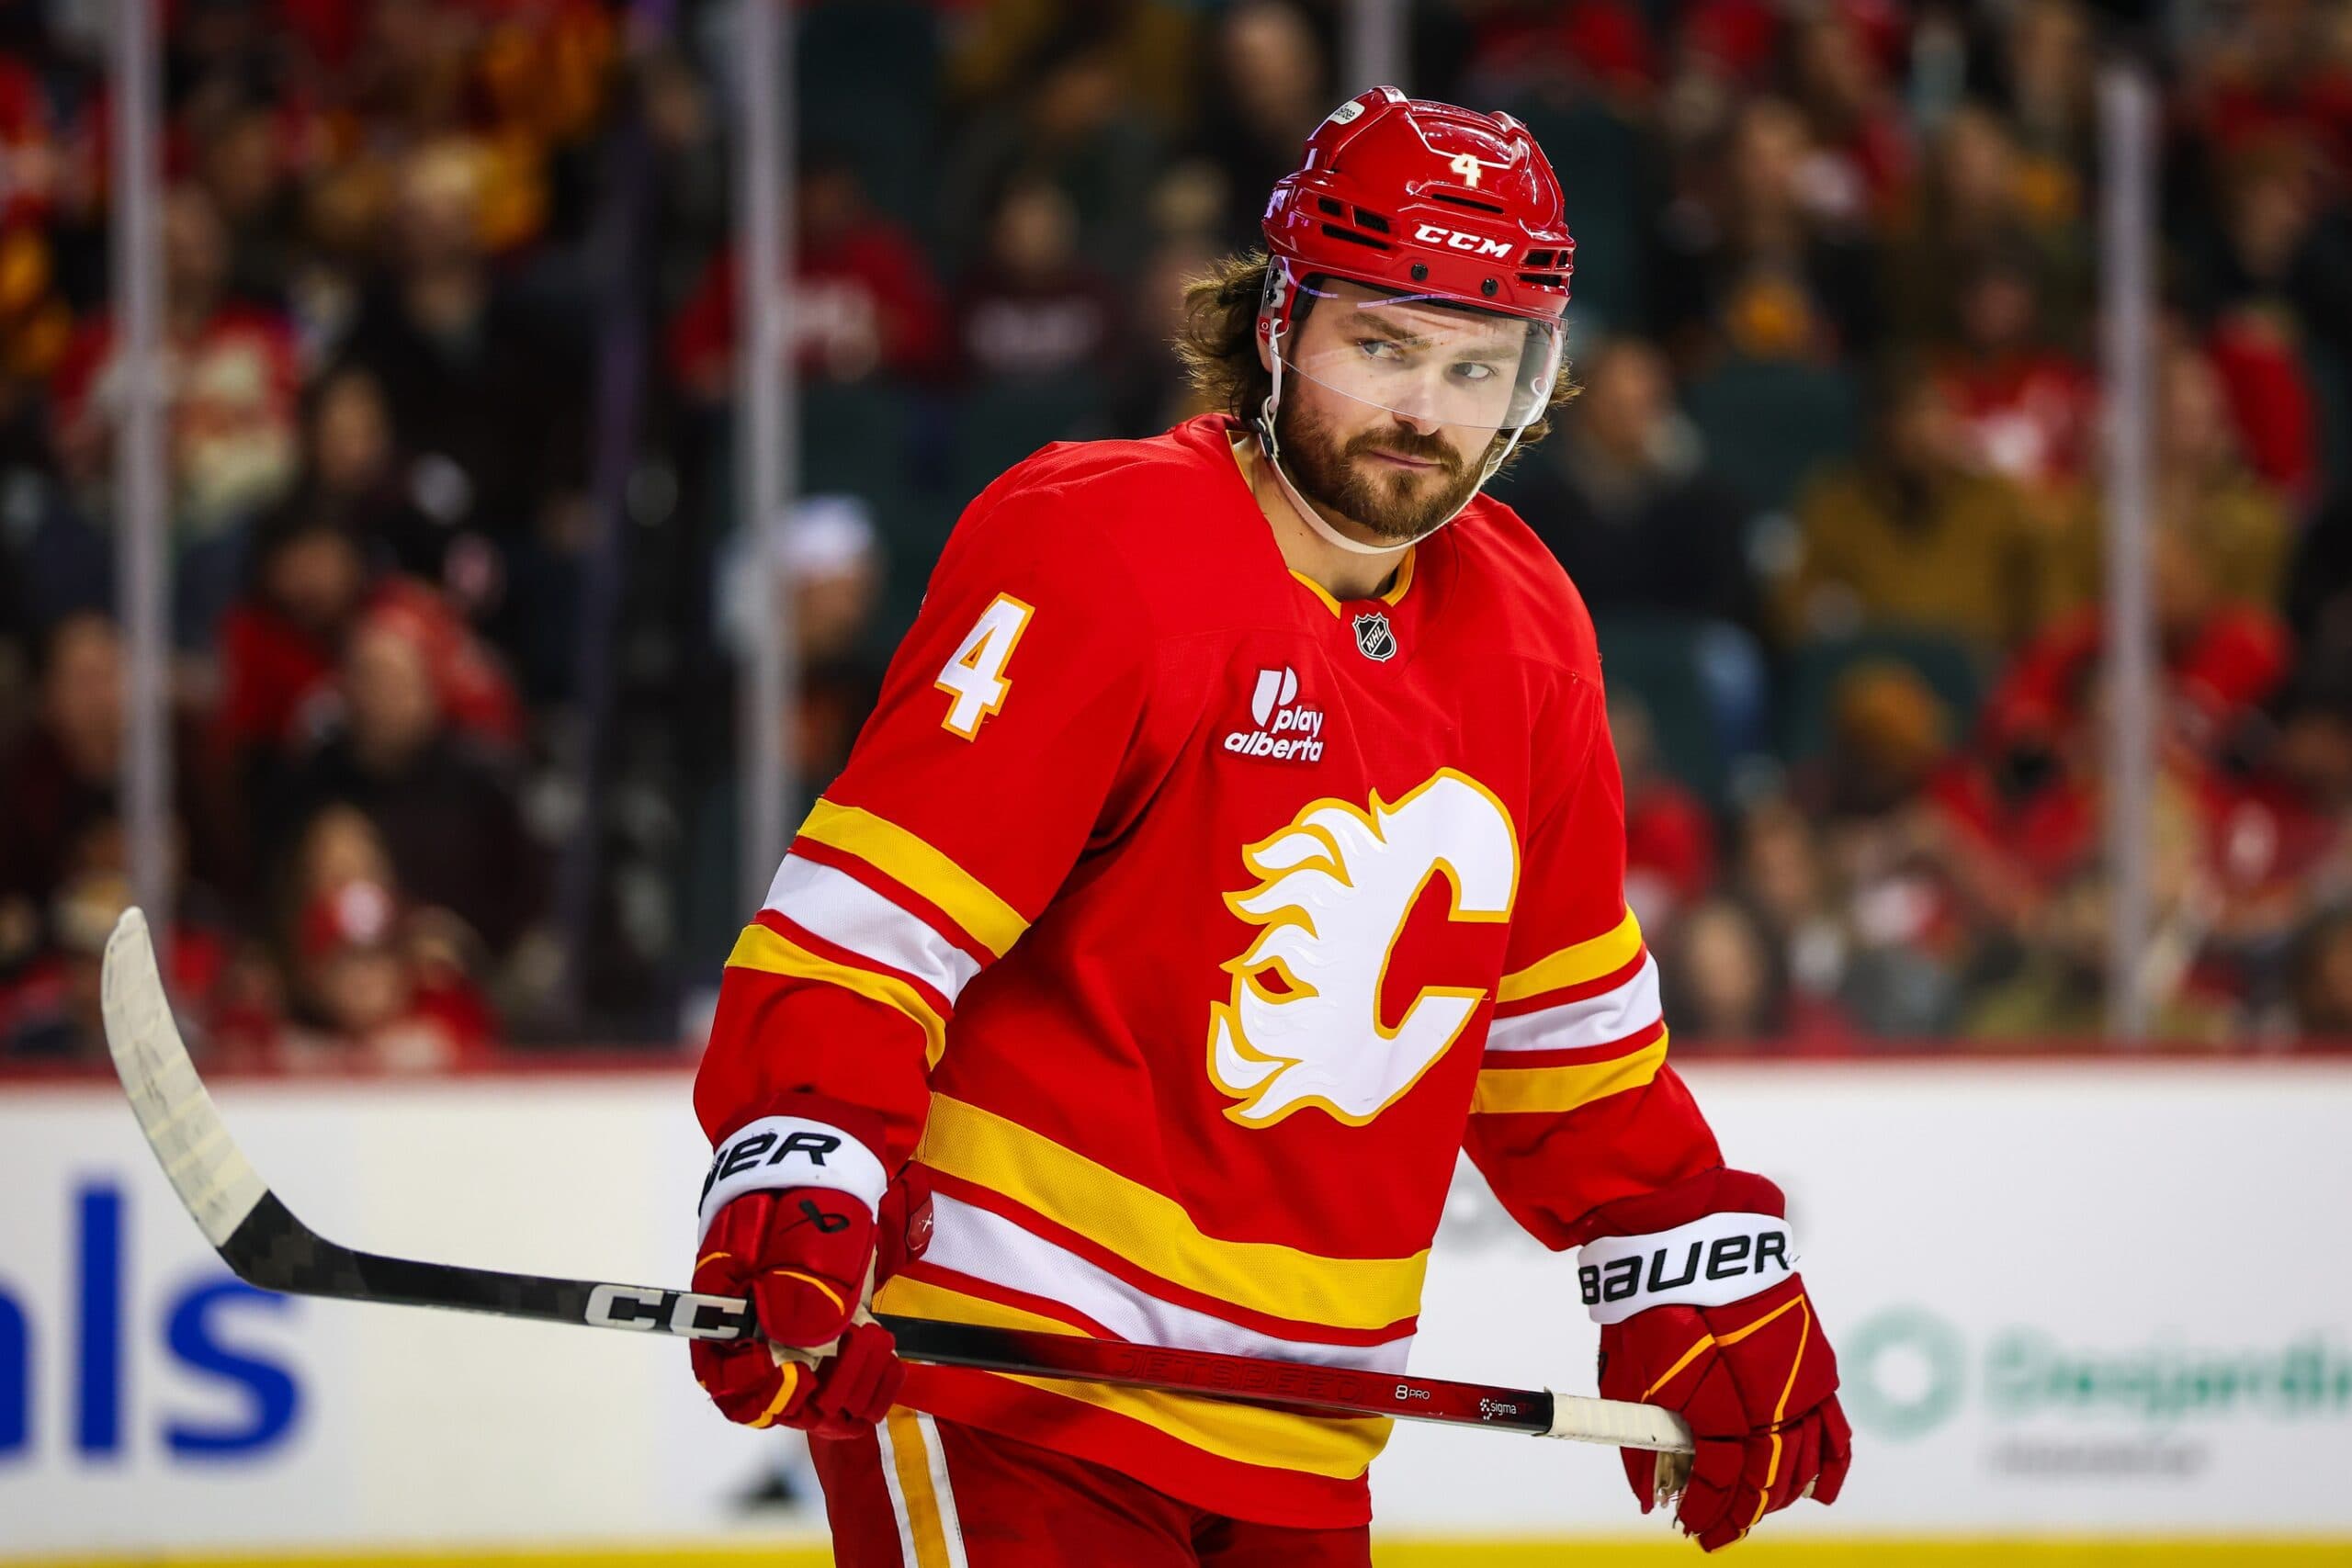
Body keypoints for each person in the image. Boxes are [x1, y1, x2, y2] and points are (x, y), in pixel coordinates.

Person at [688, 89, 1849, 1564]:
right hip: (1012, 1377)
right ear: (1280, 321)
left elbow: (1558, 1043)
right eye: (1384, 345)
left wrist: (1682, 1252)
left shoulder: (1533, 625)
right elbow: (874, 926)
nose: (1427, 410)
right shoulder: (1099, 546)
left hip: (1301, 1430)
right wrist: (804, 1151)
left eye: (1476, 365)